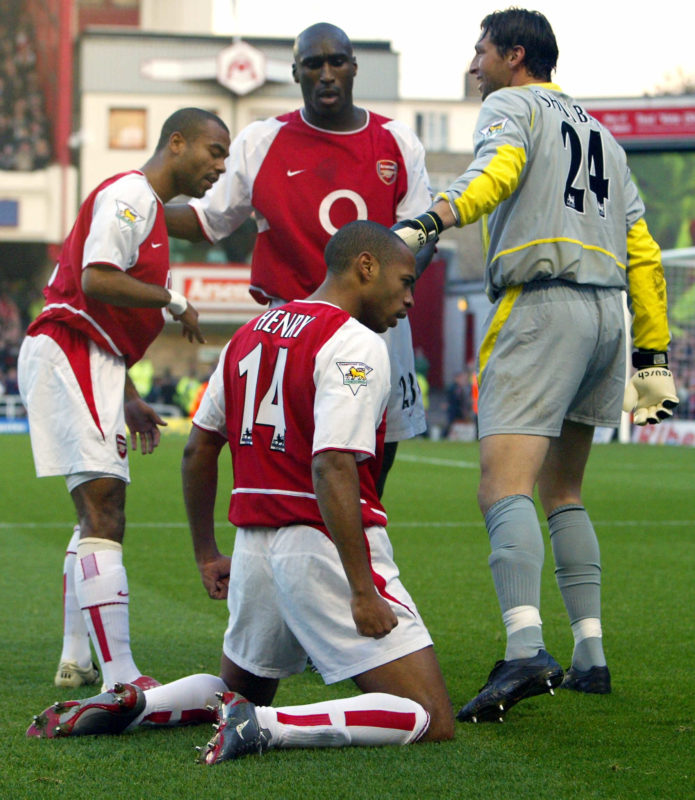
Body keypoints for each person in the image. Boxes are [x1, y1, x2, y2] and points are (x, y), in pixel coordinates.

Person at [26, 221, 455, 762]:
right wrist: (362, 589)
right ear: (365, 266)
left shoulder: (250, 334)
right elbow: (332, 466)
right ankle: (269, 728)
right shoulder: (356, 344)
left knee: (238, 691)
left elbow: (199, 448)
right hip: (318, 546)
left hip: (254, 547)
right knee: (430, 714)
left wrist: (208, 552)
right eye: (405, 280)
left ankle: (141, 703)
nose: (411, 299)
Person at [392, 8, 679, 721]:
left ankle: (524, 650)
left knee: (501, 487)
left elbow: (497, 172)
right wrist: (652, 364)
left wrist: (431, 218)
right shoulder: (605, 140)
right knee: (564, 491)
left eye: (479, 50)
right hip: (607, 318)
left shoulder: (509, 105)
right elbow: (643, 255)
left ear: (514, 56)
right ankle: (591, 654)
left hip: (540, 304)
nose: (471, 64)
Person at [165, 22, 436, 497]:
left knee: (370, 478)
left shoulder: (398, 141)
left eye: (336, 62)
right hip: (291, 330)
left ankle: (351, 563)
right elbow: (209, 220)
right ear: (296, 72)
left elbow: (421, 234)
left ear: (354, 68)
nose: (326, 73)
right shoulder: (261, 140)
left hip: (375, 329)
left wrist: (394, 286)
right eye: (314, 64)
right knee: (292, 476)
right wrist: (137, 202)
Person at [18, 107, 231, 692]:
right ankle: (121, 676)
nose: (220, 164)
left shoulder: (150, 211)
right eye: (214, 150)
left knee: (94, 508)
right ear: (176, 143)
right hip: (70, 352)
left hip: (92, 356)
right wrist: (174, 300)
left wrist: (130, 393)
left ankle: (77, 657)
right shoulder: (132, 195)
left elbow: (102, 311)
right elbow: (95, 279)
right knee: (105, 510)